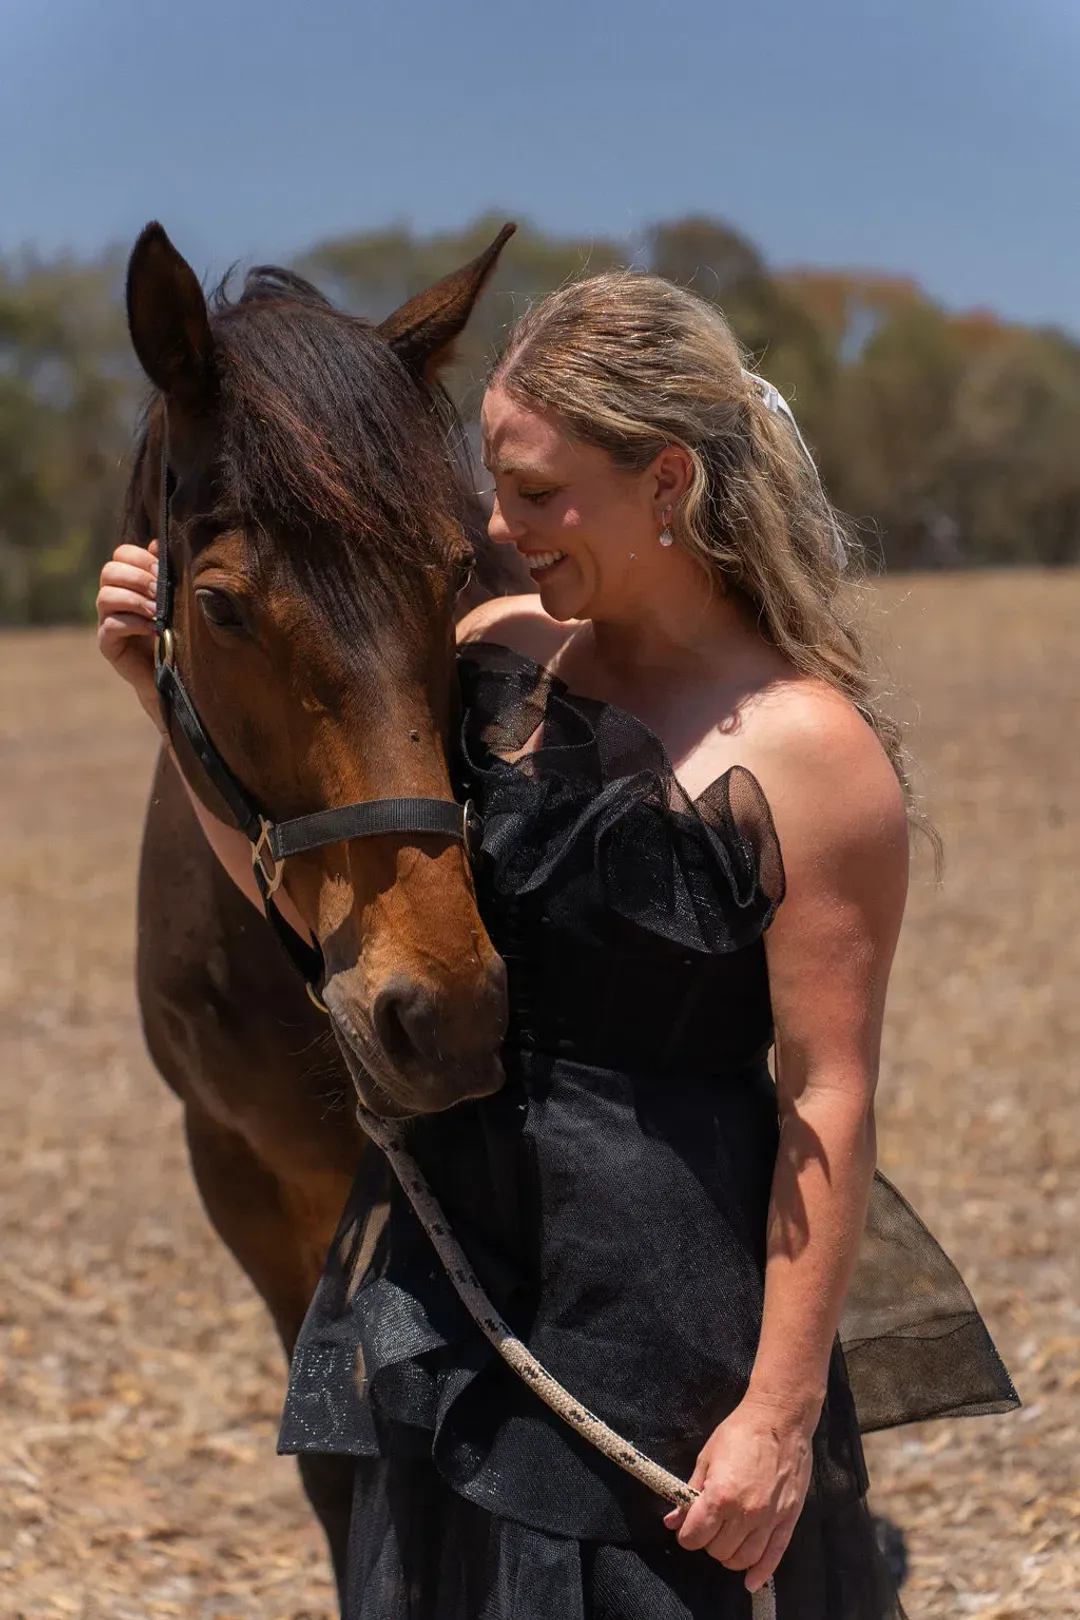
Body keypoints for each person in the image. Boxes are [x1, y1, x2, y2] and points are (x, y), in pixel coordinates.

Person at [98, 271, 1016, 1620]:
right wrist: (158, 698)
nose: (493, 524)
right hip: (459, 1274)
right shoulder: (498, 663)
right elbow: (319, 903)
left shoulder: (813, 755)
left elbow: (828, 1096)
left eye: (536, 492)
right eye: (495, 484)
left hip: (663, 1302)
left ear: (666, 484)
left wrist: (775, 1412)